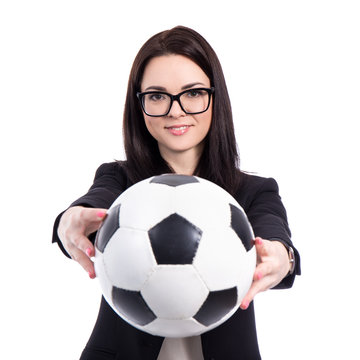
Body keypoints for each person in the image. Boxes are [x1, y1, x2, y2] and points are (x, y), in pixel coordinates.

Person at [52, 25, 301, 360]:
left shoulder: (254, 191)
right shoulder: (120, 180)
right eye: (156, 96)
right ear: (138, 105)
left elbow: (273, 233)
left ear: (215, 97)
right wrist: (70, 220)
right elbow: (93, 203)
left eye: (193, 93)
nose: (175, 110)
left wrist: (281, 258)